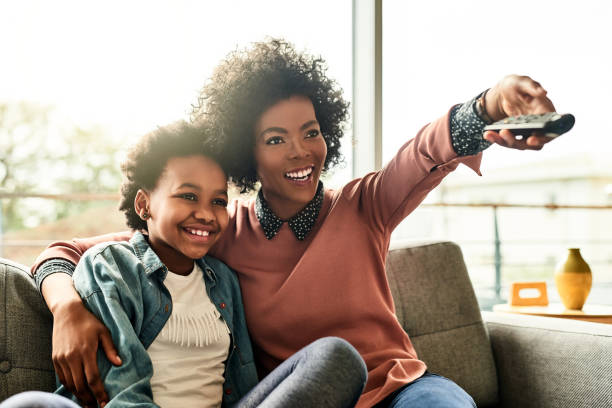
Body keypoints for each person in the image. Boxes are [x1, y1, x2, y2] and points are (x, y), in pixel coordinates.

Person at [30, 39, 558, 408]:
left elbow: (422, 154)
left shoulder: (364, 205)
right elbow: (66, 253)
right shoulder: (218, 229)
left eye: (311, 132)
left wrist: (489, 105)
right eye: (276, 139)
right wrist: (68, 307)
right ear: (247, 153)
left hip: (400, 392)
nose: (301, 151)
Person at [2, 120, 366, 408]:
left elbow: (244, 385)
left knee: (337, 356)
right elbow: (120, 395)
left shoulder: (223, 279)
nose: (206, 214)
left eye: (219, 201)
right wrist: (66, 306)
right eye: (188, 196)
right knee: (30, 405)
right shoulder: (111, 267)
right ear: (144, 205)